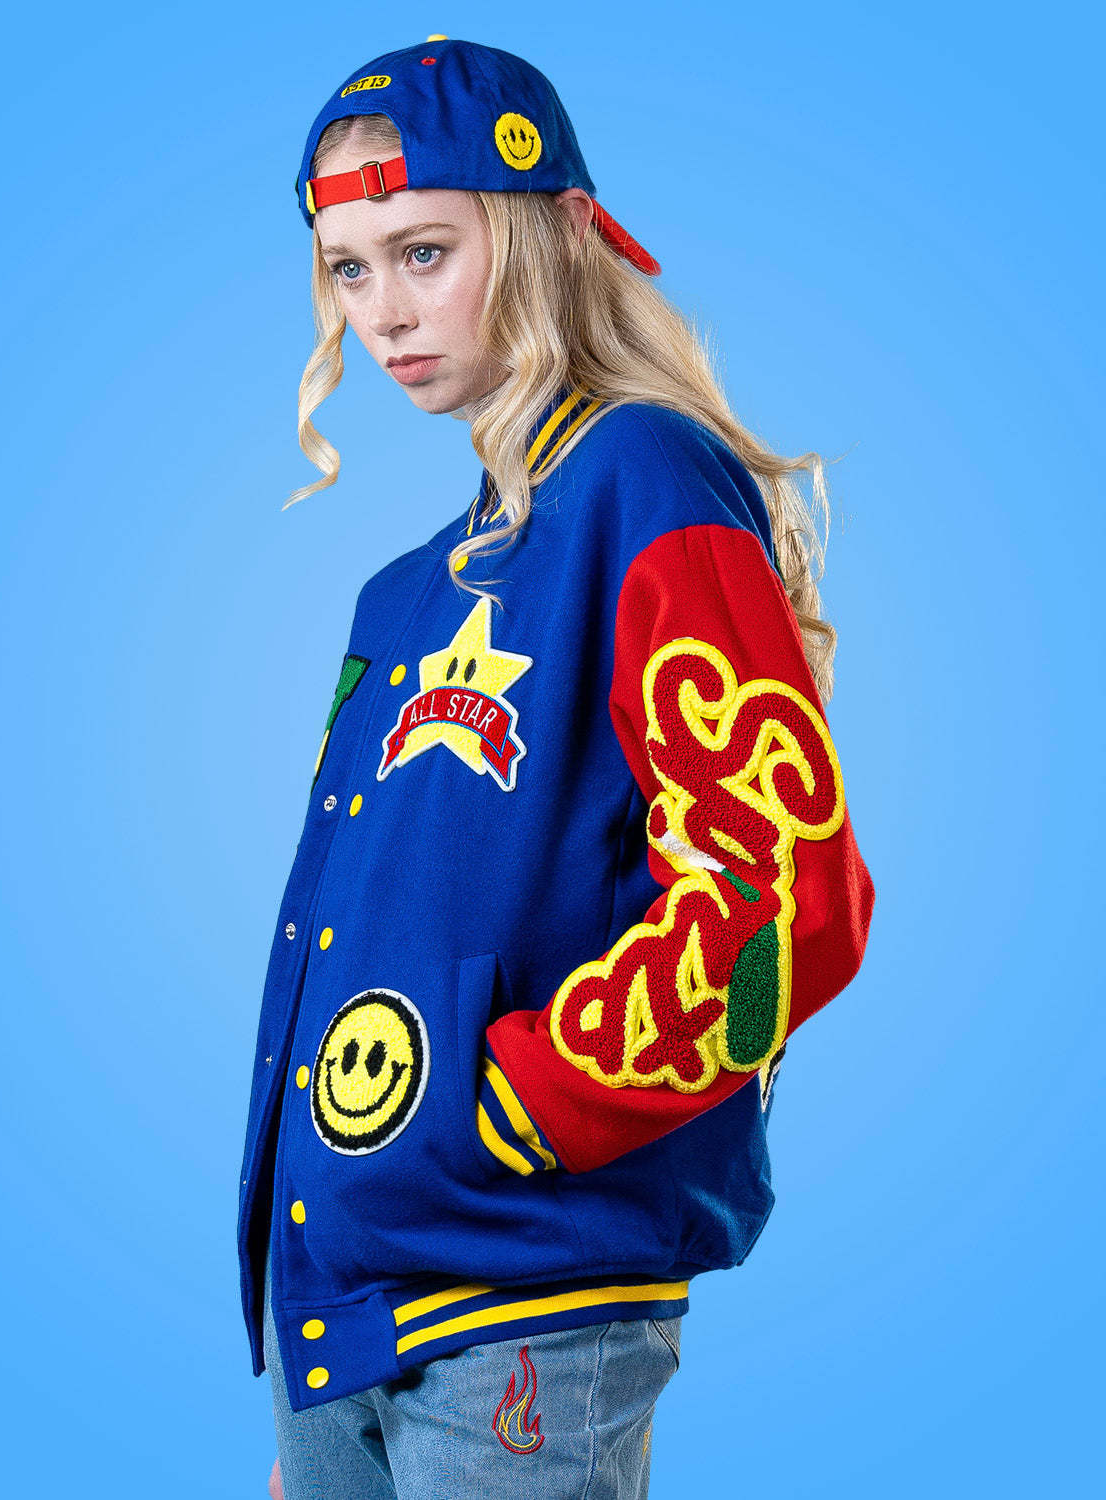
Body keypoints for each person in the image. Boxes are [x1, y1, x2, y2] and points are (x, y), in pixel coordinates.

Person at [237, 34, 876, 1500]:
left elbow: (787, 903)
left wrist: (518, 1102)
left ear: (537, 235)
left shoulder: (643, 478)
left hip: (524, 1301)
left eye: (424, 252)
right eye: (348, 270)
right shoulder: (406, 596)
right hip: (335, 1307)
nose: (384, 311)